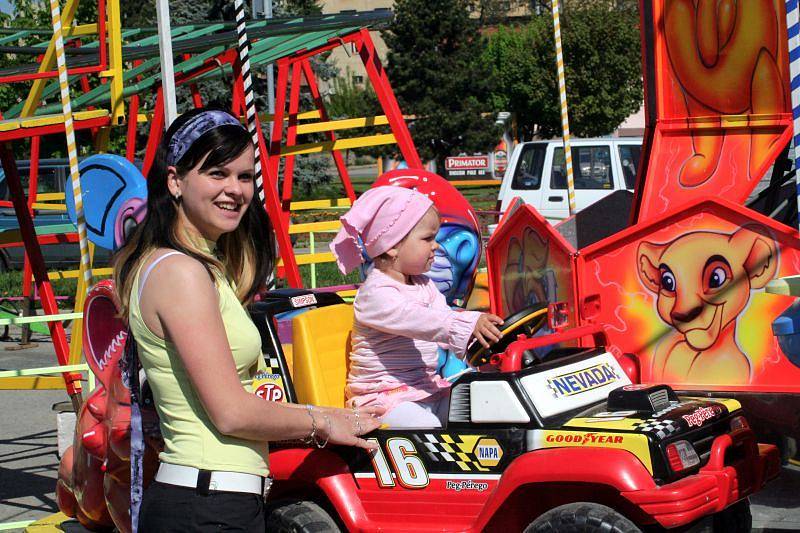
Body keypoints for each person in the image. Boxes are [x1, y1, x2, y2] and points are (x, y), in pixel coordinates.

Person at [113, 108, 381, 532]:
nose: (235, 190)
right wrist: (324, 422)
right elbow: (231, 413)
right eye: (217, 173)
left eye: (243, 176)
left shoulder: (198, 267)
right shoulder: (179, 272)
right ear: (175, 181)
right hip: (204, 505)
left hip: (217, 501)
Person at [330, 186, 504, 428]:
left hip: (425, 389)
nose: (436, 246)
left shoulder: (423, 284)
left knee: (481, 408)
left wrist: (483, 341)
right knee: (429, 431)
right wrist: (467, 323)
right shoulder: (375, 294)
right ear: (391, 246)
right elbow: (420, 320)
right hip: (382, 400)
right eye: (428, 238)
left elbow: (444, 321)